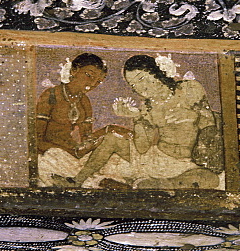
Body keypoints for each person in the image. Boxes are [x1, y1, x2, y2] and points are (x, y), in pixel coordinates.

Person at [55, 55, 222, 189]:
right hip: (159, 159)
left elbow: (208, 122)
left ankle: (161, 185)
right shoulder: (147, 108)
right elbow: (142, 147)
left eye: (142, 78)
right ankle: (76, 181)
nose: (141, 88)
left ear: (156, 72)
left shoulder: (188, 89)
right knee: (111, 138)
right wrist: (136, 117)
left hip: (189, 161)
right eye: (134, 85)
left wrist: (205, 148)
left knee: (209, 179)